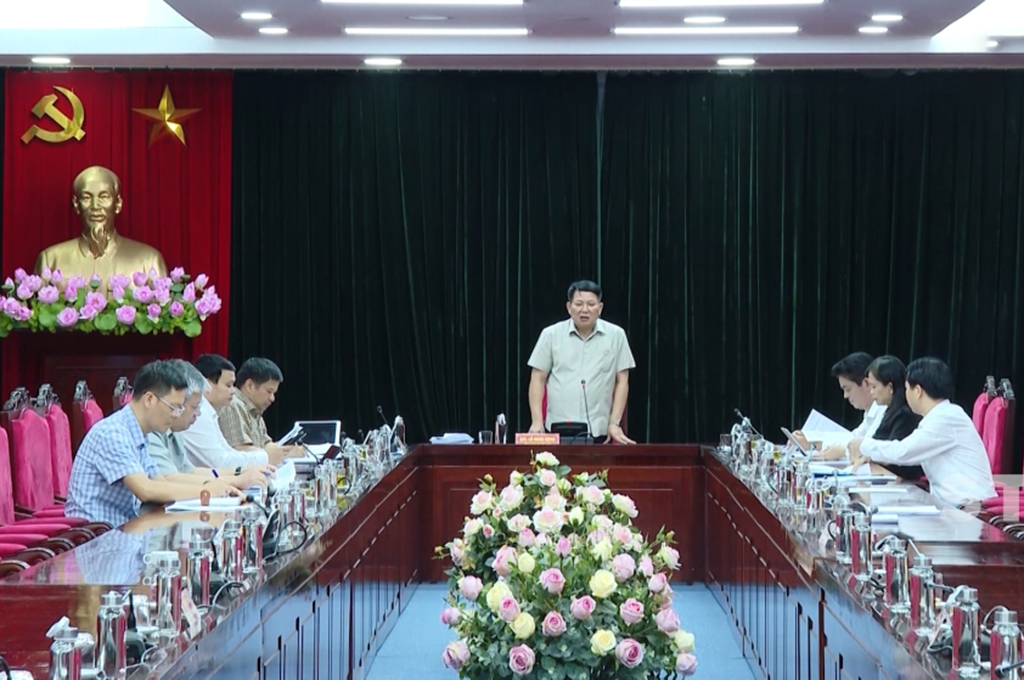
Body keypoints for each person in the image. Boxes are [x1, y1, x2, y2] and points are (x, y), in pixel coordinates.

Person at [65, 360, 240, 527]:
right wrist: (206, 492)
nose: (176, 415)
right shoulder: (113, 433)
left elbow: (161, 483)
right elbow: (146, 490)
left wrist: (214, 486)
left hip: (125, 528)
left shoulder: (140, 433)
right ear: (149, 399)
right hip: (97, 536)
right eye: (174, 407)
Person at [849, 358, 996, 506]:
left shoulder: (946, 418)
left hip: (969, 510)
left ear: (918, 391)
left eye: (907, 389)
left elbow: (904, 452)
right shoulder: (939, 416)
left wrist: (863, 445)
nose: (905, 394)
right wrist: (870, 454)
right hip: (951, 505)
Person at [527, 280, 636, 444]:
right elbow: (537, 378)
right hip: (557, 429)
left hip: (599, 430)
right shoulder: (550, 335)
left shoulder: (616, 335)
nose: (584, 310)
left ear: (600, 308)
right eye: (579, 304)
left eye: (591, 304)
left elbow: (622, 381)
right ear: (569, 307)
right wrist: (537, 421)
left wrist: (614, 422)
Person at [148, 360, 273, 489]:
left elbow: (191, 471)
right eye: (194, 407)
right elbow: (169, 479)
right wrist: (233, 481)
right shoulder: (153, 430)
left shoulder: (175, 430)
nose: (198, 414)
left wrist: (240, 471)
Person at [34, 165, 167, 283]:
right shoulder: (51, 260)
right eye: (86, 197)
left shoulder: (149, 261)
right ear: (76, 204)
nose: (95, 206)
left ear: (118, 204)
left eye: (104, 197)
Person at [180, 354, 296, 468]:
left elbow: (228, 452)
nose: (233, 391)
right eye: (228, 385)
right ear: (207, 385)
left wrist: (278, 453)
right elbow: (222, 462)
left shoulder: (209, 412)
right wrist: (267, 457)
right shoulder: (203, 413)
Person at [796, 352, 885, 458]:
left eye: (848, 389)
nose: (845, 396)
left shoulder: (883, 409)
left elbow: (867, 448)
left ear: (867, 383)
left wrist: (818, 445)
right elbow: (853, 438)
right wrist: (813, 440)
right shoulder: (870, 412)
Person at [219, 357, 303, 459]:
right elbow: (240, 451)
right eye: (269, 391)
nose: (272, 398)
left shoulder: (255, 410)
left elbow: (266, 445)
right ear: (250, 385)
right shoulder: (233, 405)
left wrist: (288, 450)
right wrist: (281, 453)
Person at [861, 355, 924, 480]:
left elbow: (896, 460)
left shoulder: (905, 415)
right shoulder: (888, 410)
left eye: (874, 387)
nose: (871, 392)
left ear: (890, 387)